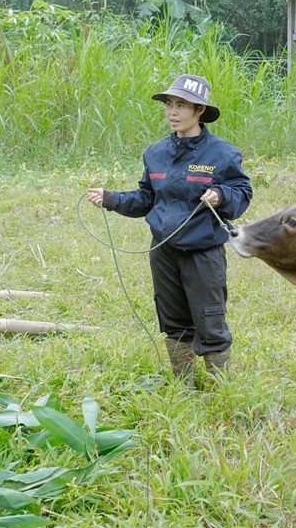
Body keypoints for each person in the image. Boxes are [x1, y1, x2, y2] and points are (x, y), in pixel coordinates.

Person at [86, 75, 252, 384]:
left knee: (210, 321)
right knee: (174, 320)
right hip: (163, 251)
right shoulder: (155, 153)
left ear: (200, 110)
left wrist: (221, 195)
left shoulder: (223, 154)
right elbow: (146, 198)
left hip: (202, 251)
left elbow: (242, 193)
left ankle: (223, 390)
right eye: (169, 105)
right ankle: (183, 385)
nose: (172, 112)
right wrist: (111, 199)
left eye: (181, 105)